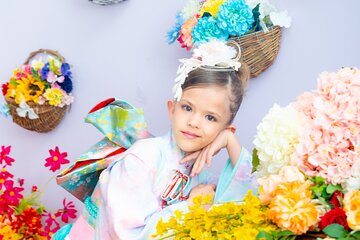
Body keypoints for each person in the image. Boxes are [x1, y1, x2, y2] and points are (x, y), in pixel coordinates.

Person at [54, 40, 258, 240]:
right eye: (187, 108)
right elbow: (128, 235)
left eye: (210, 117)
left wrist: (230, 141)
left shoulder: (201, 174)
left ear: (224, 128)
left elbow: (242, 208)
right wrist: (192, 207)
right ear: (172, 109)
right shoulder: (143, 158)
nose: (194, 122)